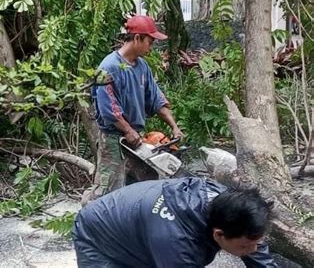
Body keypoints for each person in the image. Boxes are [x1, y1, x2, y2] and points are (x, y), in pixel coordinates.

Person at [83, 15, 183, 204]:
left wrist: (174, 126)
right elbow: (108, 109)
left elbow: (156, 99)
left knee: (141, 186)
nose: (151, 48)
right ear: (137, 38)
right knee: (107, 191)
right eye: (150, 42)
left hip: (137, 138)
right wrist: (127, 130)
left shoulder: (142, 67)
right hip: (114, 139)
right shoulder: (108, 67)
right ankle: (90, 220)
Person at [73, 177, 277, 267]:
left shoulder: (236, 209)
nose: (253, 249)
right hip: (98, 234)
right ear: (218, 234)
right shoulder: (177, 243)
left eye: (256, 242)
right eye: (245, 246)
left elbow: (254, 244)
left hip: (142, 231)